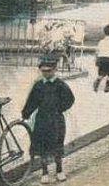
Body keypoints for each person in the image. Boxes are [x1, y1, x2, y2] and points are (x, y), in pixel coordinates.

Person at [23, 55, 75, 183]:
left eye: (49, 71)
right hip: (42, 119)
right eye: (44, 71)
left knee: (57, 144)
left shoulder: (60, 85)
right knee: (42, 145)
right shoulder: (39, 85)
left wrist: (59, 109)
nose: (46, 74)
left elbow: (70, 99)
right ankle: (44, 171)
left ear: (54, 70)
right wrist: (26, 112)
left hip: (56, 120)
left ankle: (59, 170)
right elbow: (32, 101)